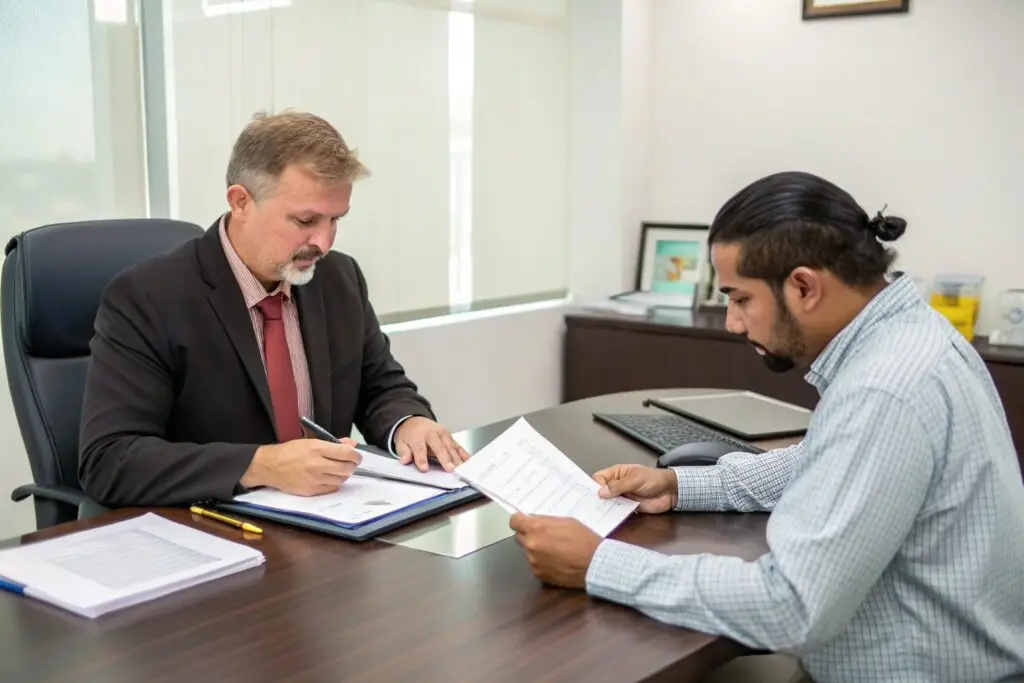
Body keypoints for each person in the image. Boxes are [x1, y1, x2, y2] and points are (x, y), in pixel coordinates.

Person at [509, 171, 1024, 682]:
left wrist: (598, 564)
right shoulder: (912, 334)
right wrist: (681, 484)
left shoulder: (882, 388)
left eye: (740, 299)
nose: (733, 323)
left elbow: (790, 607)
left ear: (803, 286)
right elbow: (830, 458)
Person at [79, 110, 469, 507]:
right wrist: (261, 465)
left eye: (336, 219)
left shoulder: (338, 278)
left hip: (326, 524)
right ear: (241, 202)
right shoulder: (148, 298)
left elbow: (381, 387)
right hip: (212, 529)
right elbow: (110, 460)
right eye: (306, 219)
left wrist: (408, 423)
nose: (324, 242)